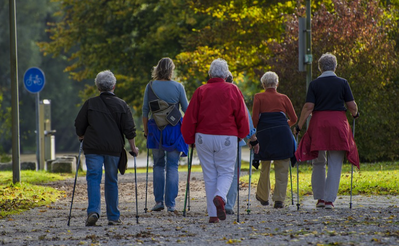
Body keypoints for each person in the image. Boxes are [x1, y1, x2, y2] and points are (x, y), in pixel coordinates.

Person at [181, 58, 249, 223]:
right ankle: (220, 196)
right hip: (227, 136)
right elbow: (242, 115)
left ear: (210, 73)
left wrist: (189, 139)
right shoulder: (233, 89)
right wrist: (242, 134)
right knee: (226, 171)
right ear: (226, 74)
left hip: (203, 136)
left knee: (210, 174)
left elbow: (190, 117)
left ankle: (213, 215)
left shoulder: (200, 91)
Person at [294, 53, 359, 209]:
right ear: (335, 66)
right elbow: (351, 105)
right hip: (338, 123)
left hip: (319, 124)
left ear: (320, 67)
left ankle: (320, 199)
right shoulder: (343, 83)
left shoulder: (314, 84)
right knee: (335, 162)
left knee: (318, 161)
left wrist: (299, 125)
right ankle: (330, 200)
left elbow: (308, 107)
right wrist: (355, 114)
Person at [75, 70, 139, 226]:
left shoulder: (90, 104)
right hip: (113, 149)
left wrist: (81, 136)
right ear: (113, 86)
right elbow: (129, 129)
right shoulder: (122, 105)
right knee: (111, 180)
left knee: (93, 179)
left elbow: (79, 123)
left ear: (98, 87)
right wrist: (133, 147)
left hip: (93, 148)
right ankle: (113, 216)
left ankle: (94, 212)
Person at [142, 57, 189, 213]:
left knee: (158, 164)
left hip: (155, 129)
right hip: (174, 129)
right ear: (171, 70)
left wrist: (146, 130)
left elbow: (145, 111)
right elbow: (186, 110)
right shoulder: (178, 87)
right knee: (173, 166)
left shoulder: (150, 87)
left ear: (157, 69)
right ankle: (171, 204)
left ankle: (158, 201)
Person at [252, 71, 297, 209]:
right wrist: (283, 125)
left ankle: (263, 197)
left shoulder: (258, 97)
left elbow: (254, 120)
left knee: (265, 166)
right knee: (282, 167)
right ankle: (279, 200)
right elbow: (294, 119)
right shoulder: (284, 98)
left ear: (263, 84)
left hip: (265, 135)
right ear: (277, 84)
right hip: (283, 134)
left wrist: (254, 134)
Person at [224, 71, 258, 215]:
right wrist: (253, 139)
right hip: (233, 139)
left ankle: (218, 200)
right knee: (232, 172)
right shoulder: (235, 94)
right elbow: (246, 117)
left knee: (217, 172)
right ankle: (229, 204)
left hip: (211, 138)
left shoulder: (208, 92)